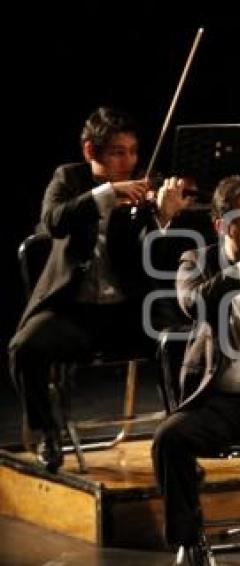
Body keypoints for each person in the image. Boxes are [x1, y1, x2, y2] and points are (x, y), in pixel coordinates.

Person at [8, 107, 193, 472]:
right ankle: (47, 433)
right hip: (74, 311)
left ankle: (179, 442)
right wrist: (107, 193)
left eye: (133, 152)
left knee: (181, 340)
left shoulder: (143, 190)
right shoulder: (69, 179)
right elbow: (53, 221)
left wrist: (163, 217)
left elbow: (154, 259)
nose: (130, 162)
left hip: (128, 310)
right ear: (91, 151)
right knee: (24, 348)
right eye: (118, 153)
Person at [151, 175, 240, 565]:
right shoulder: (197, 261)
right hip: (226, 402)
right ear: (221, 226)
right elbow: (193, 303)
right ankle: (189, 540)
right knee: (169, 438)